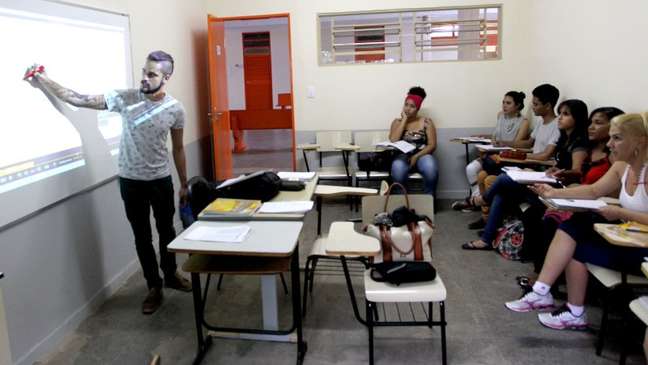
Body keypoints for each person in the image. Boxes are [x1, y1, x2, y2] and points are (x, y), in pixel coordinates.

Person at [24, 50, 192, 315]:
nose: (144, 78)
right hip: (130, 181)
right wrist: (42, 78)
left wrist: (184, 183)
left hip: (160, 180)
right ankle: (154, 287)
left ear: (166, 77)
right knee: (142, 236)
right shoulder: (125, 98)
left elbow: (180, 148)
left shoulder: (175, 108)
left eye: (152, 74)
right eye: (143, 72)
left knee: (167, 231)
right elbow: (77, 99)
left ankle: (171, 274)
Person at [505, 112, 648, 330]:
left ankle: (568, 308)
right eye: (610, 137)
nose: (609, 144)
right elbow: (592, 191)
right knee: (575, 226)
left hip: (642, 252)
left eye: (617, 138)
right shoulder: (622, 167)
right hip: (625, 239)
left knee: (577, 245)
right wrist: (552, 193)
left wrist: (621, 214)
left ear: (640, 141)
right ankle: (543, 292)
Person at [462, 99, 590, 250]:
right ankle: (486, 239)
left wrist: (554, 172)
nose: (560, 117)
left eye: (566, 114)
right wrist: (544, 172)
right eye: (560, 113)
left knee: (503, 179)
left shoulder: (579, 143)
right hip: (547, 180)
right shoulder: (564, 139)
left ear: (578, 118)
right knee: (501, 191)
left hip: (558, 190)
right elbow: (555, 162)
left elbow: (577, 172)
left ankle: (483, 200)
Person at [523, 107, 624, 273]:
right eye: (590, 122)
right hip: (581, 198)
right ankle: (542, 274)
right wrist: (565, 178)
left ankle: (545, 279)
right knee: (533, 212)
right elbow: (582, 178)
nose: (591, 127)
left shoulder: (616, 158)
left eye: (598, 123)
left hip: (598, 205)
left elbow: (606, 191)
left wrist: (567, 189)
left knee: (551, 220)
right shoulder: (588, 149)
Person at [452, 91, 530, 211]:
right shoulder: (500, 115)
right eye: (503, 102)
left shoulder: (523, 122)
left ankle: (474, 202)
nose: (504, 105)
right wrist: (482, 136)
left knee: (484, 172)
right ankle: (476, 198)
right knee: (470, 168)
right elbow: (495, 137)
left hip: (506, 158)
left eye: (508, 103)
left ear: (518, 105)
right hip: (491, 154)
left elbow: (515, 145)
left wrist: (498, 146)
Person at [388, 86, 438, 195]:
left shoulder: (426, 122)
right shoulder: (397, 122)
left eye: (412, 106)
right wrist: (404, 120)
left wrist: (416, 156)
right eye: (406, 105)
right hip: (402, 156)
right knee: (397, 169)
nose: (408, 108)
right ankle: (403, 204)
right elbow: (393, 140)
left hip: (422, 155)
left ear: (418, 108)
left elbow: (432, 145)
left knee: (431, 168)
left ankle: (428, 202)